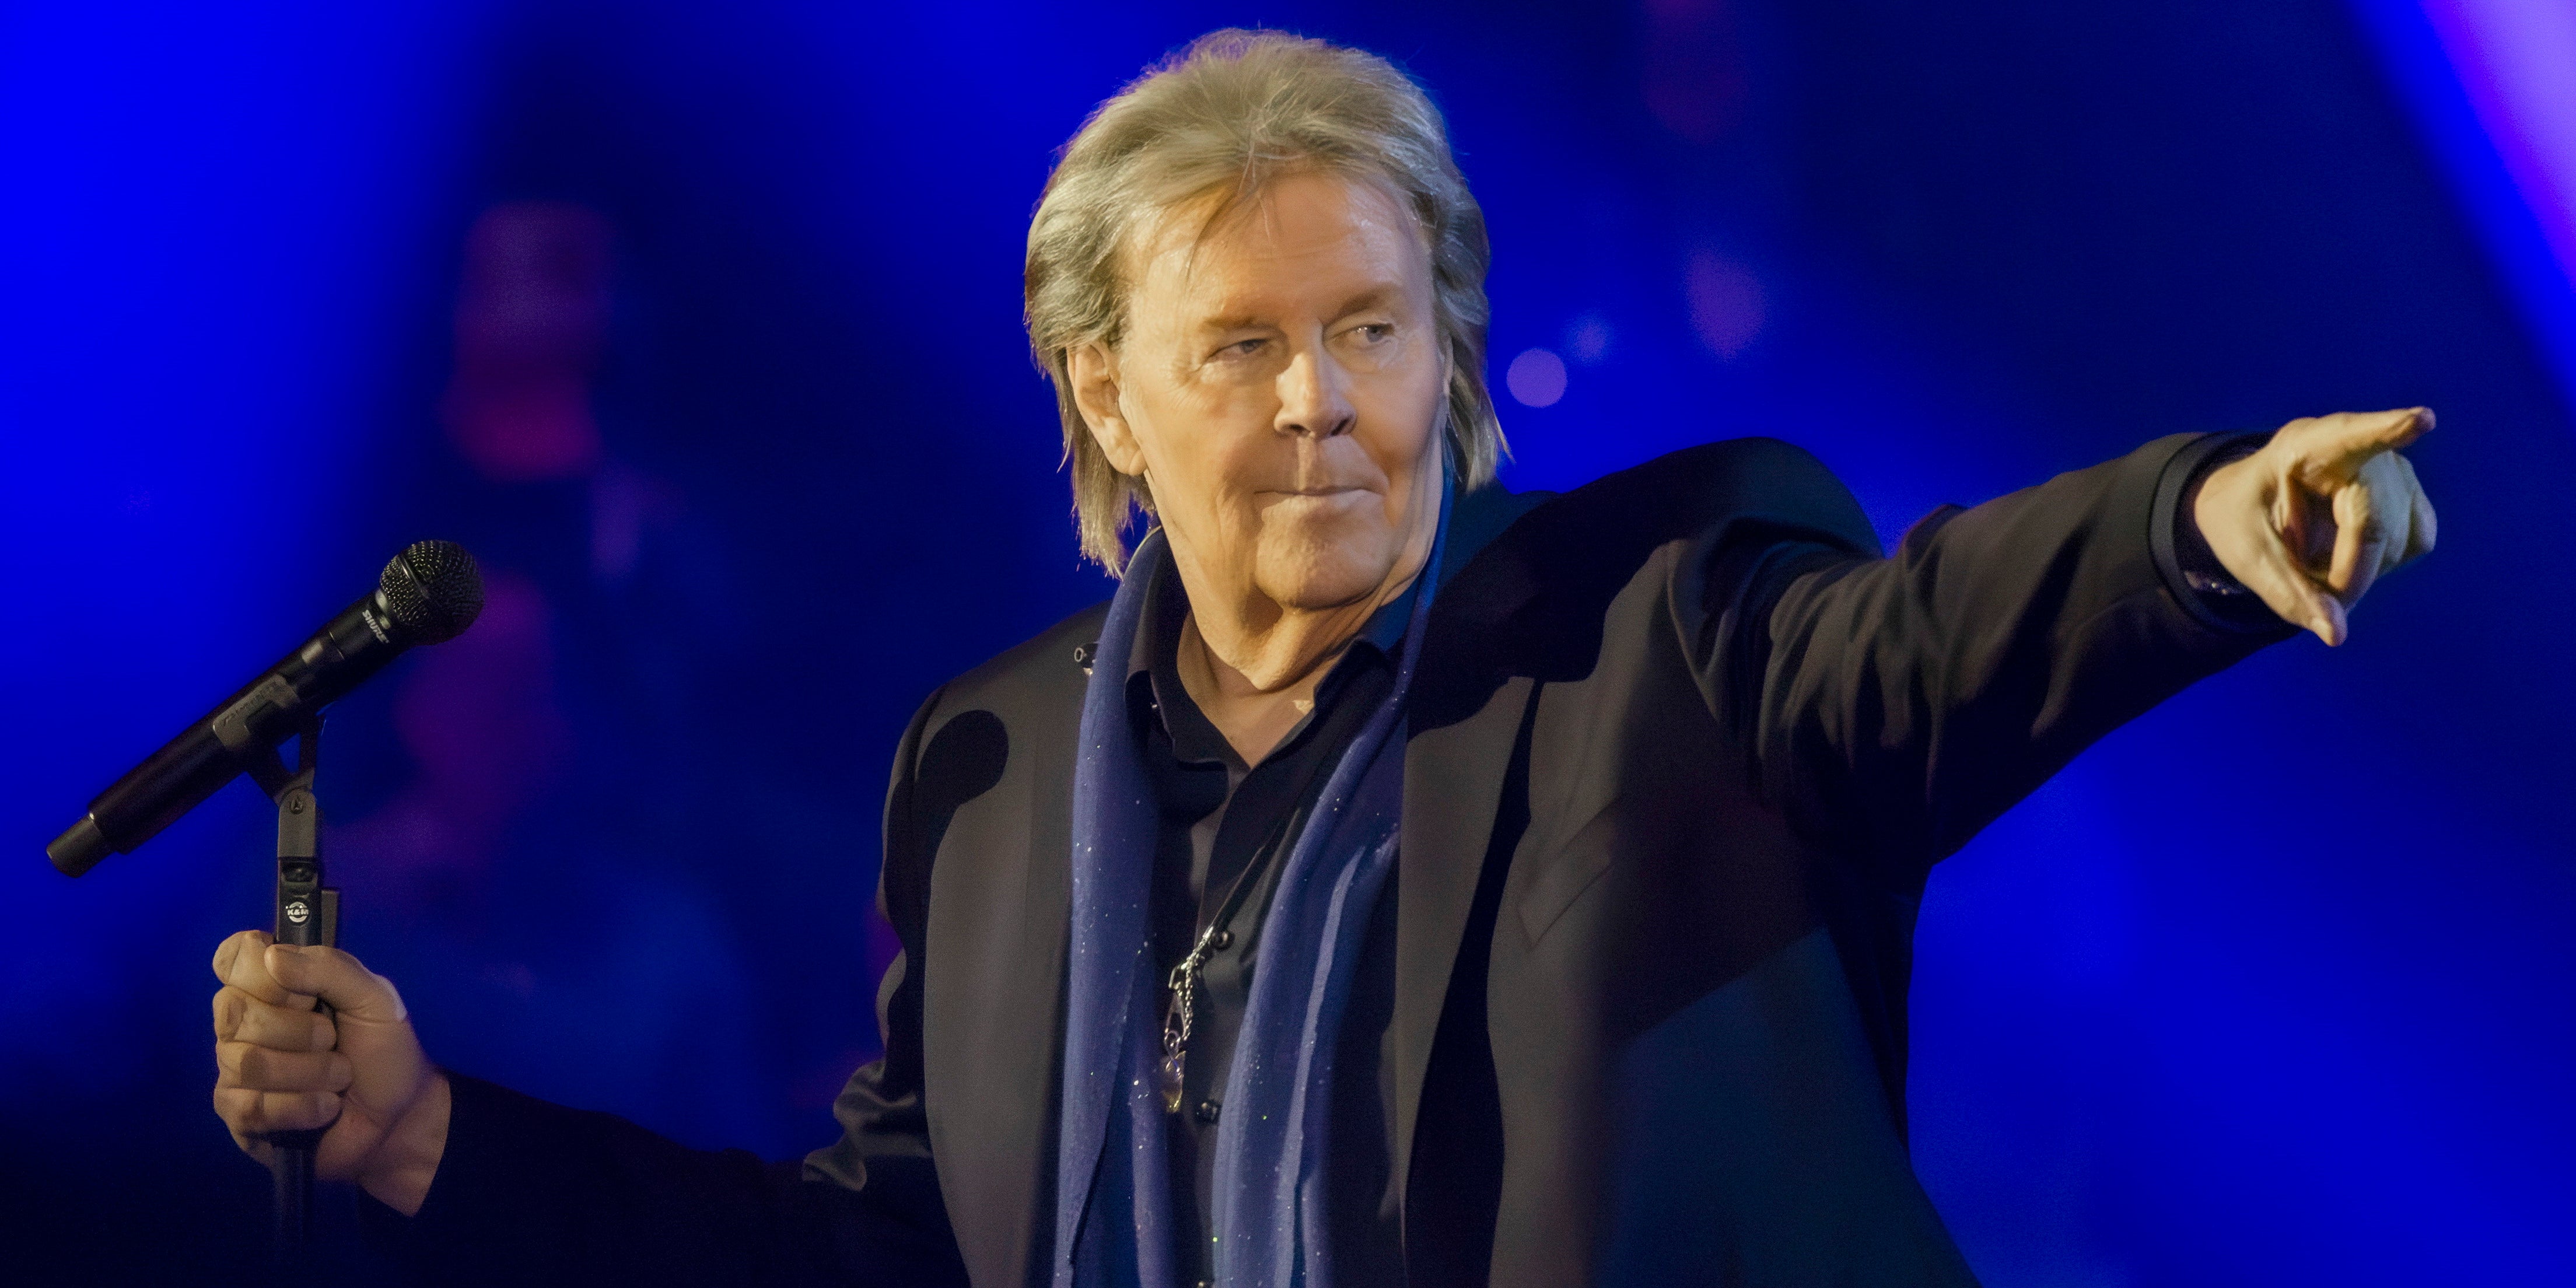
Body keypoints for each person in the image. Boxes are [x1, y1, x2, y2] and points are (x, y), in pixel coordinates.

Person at [206, 29, 2436, 1288]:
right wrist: (428, 1137)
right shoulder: (996, 769)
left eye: (1373, 329)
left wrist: (2200, 528)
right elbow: (898, 1252)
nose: (1322, 405)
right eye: (1246, 346)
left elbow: (1925, 640)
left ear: (1445, 347)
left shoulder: (1661, 622)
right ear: (1106, 396)